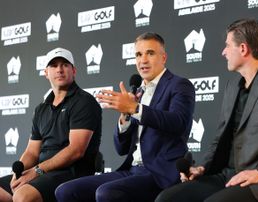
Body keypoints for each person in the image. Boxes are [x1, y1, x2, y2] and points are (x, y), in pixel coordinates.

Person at [155, 19, 258, 202]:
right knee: (167, 198)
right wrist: (203, 168)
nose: (223, 52)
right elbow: (220, 138)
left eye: (227, 46)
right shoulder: (233, 86)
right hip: (229, 174)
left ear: (243, 49)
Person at [54, 32, 195, 202]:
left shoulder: (179, 85)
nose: (143, 60)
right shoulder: (137, 92)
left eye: (150, 53)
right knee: (66, 191)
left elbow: (178, 123)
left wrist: (135, 108)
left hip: (161, 172)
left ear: (163, 57)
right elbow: (121, 148)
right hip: (131, 169)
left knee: (107, 193)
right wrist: (125, 116)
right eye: (138, 54)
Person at [0, 47, 102, 202]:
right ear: (46, 72)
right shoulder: (41, 108)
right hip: (43, 172)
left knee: (23, 196)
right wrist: (18, 174)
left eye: (65, 65)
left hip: (72, 172)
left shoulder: (84, 101)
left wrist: (37, 171)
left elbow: (76, 150)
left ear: (73, 70)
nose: (59, 70)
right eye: (54, 66)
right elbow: (32, 152)